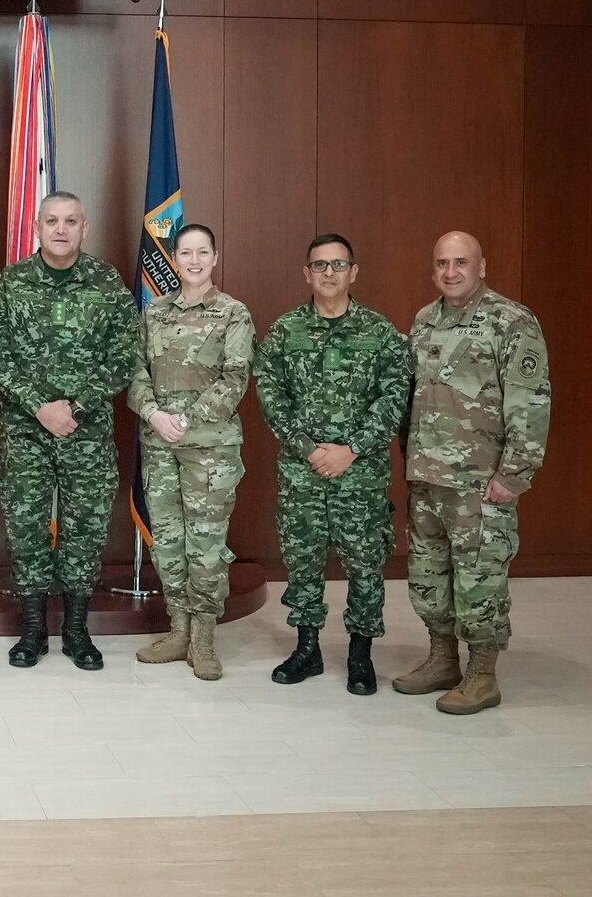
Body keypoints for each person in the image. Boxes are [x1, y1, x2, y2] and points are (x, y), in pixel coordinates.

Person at [0, 191, 138, 671]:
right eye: (52, 221)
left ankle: (75, 629)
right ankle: (32, 629)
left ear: (84, 228)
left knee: (84, 531)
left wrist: (76, 405)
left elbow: (125, 356)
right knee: (27, 530)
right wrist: (38, 406)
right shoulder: (11, 285)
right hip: (25, 431)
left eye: (71, 220)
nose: (62, 229)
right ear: (37, 227)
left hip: (86, 432)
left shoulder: (107, 284)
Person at [396, 231, 550, 714]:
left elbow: (530, 403)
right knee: (428, 577)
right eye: (442, 262)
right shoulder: (424, 320)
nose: (450, 272)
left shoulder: (511, 321)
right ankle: (443, 659)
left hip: (480, 484)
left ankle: (483, 674)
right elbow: (411, 400)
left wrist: (514, 474)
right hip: (426, 479)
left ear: (481, 266)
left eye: (461, 262)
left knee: (479, 581)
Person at [253, 234, 411, 695]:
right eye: (319, 265)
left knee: (365, 563)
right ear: (306, 274)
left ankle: (360, 654)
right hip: (303, 471)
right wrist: (307, 447)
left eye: (338, 264)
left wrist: (352, 449)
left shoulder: (381, 333)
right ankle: (308, 649)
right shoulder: (284, 331)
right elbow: (271, 395)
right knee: (303, 561)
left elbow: (394, 398)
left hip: (359, 471)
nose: (328, 273)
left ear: (353, 272)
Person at [127, 224, 253, 680]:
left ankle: (203, 638)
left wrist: (187, 418)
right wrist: (153, 413)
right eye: (186, 253)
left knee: (206, 546)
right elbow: (135, 370)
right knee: (169, 542)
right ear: (175, 259)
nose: (194, 261)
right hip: (159, 445)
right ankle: (177, 629)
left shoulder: (232, 313)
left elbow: (235, 377)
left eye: (203, 252)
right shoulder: (154, 312)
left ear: (215, 258)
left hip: (210, 450)